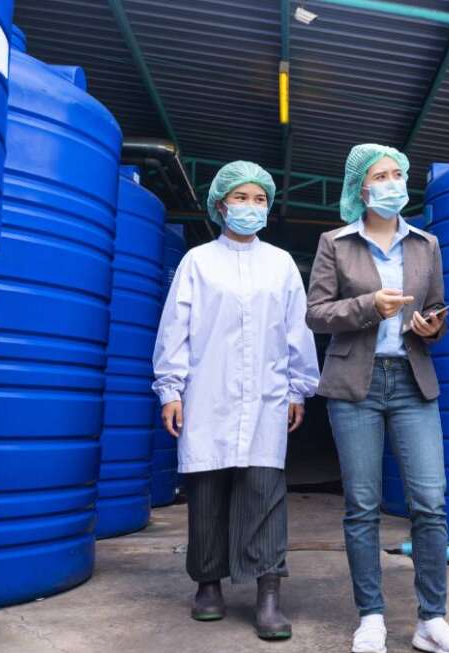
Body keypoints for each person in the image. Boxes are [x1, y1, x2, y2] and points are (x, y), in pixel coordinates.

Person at [306, 144, 449, 653]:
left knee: (431, 502)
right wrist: (368, 306)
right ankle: (372, 618)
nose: (392, 181)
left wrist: (431, 325)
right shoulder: (334, 243)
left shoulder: (427, 244)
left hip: (412, 381)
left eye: (398, 173)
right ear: (361, 187)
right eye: (381, 175)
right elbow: (317, 313)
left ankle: (432, 620)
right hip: (354, 384)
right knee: (361, 505)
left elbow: (437, 311)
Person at [152, 161, 319, 641]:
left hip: (267, 395)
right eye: (240, 198)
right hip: (208, 393)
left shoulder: (281, 264)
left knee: (264, 490)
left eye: (260, 199)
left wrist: (297, 389)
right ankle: (208, 584)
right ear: (221, 204)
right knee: (207, 492)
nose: (250, 207)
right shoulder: (198, 262)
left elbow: (297, 330)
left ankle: (268, 593)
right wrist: (171, 389)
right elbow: (175, 331)